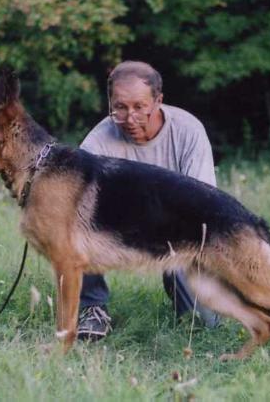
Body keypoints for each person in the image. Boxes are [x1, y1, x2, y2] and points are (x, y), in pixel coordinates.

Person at [77, 61, 220, 340]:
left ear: (158, 101)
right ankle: (92, 308)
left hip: (179, 232)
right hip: (120, 228)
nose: (130, 118)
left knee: (203, 327)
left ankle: (188, 291)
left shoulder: (188, 131)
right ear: (110, 104)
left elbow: (203, 205)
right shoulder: (97, 142)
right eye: (120, 107)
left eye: (140, 107)